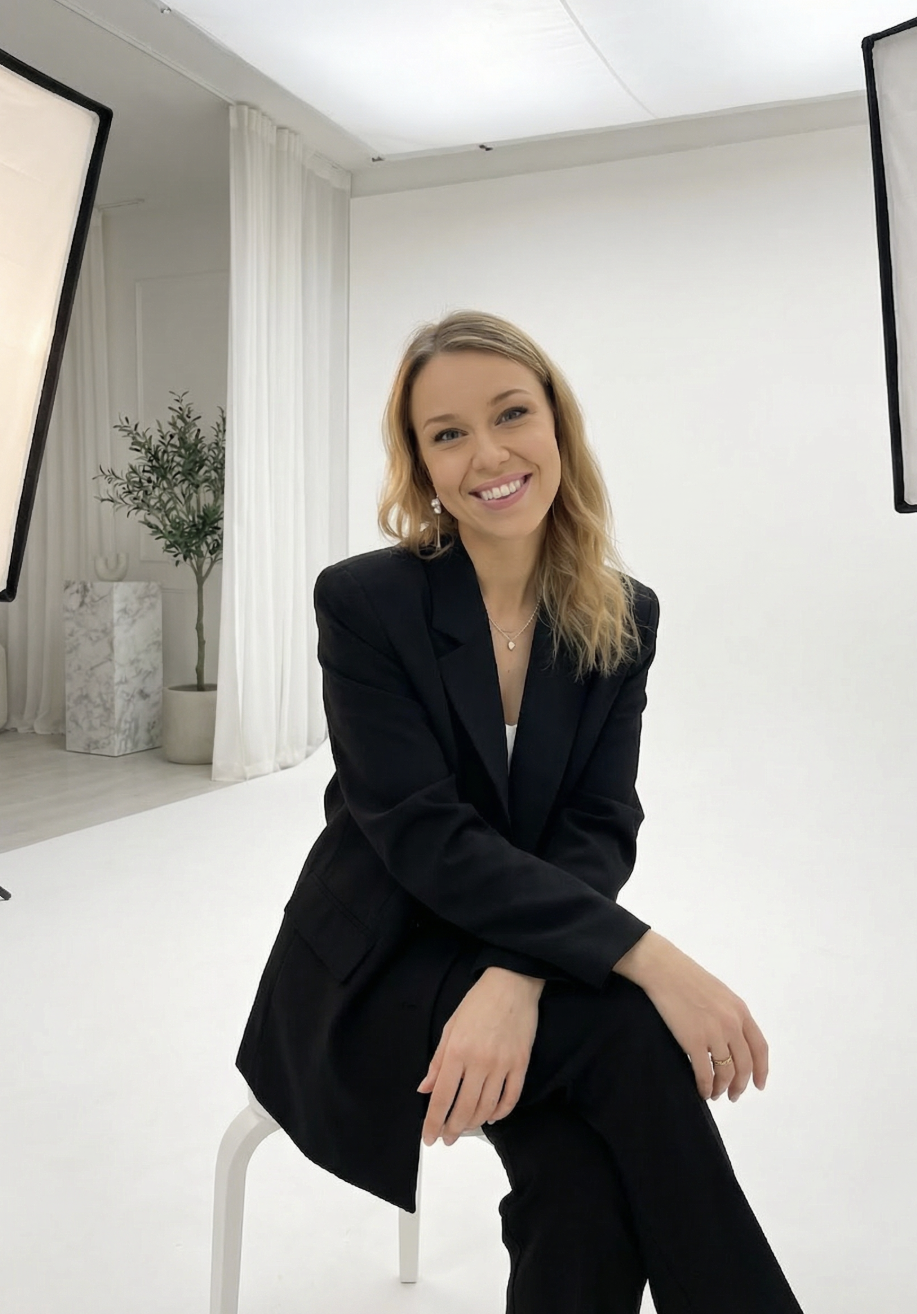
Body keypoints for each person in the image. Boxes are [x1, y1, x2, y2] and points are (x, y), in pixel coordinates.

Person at [236, 310, 804, 1313]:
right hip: (379, 964)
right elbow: (422, 835)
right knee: (632, 1034)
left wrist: (516, 977)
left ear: (557, 425)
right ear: (420, 464)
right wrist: (651, 958)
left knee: (581, 1192)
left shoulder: (623, 615)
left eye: (510, 414)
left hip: (518, 953)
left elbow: (597, 824)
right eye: (448, 433)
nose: (489, 455)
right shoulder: (365, 604)